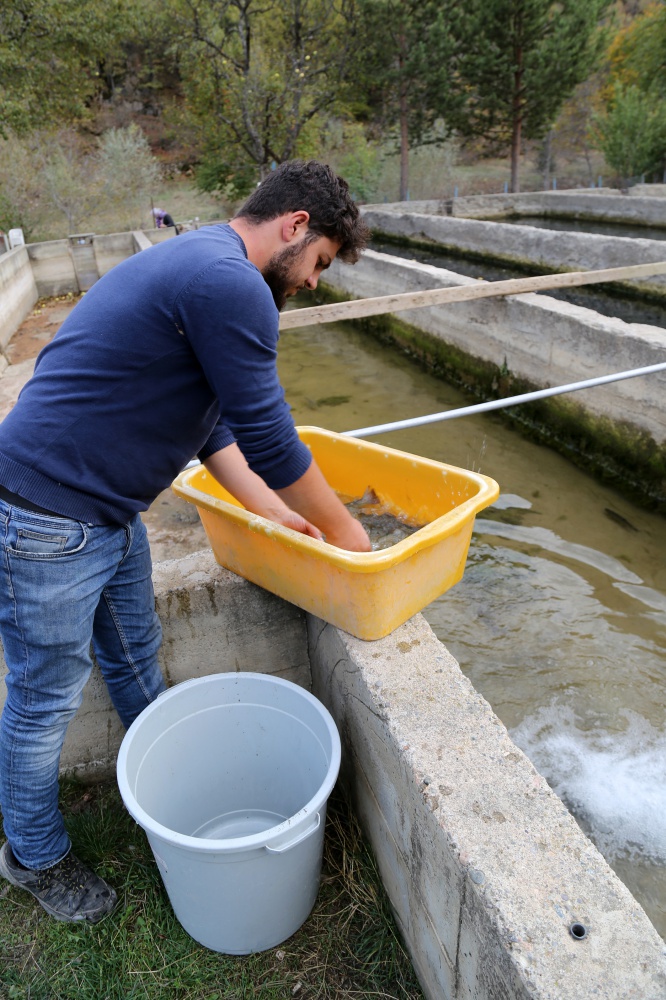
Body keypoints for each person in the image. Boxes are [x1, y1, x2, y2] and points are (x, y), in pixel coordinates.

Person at [0, 160, 371, 924]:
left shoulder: (202, 261)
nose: (312, 282)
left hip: (104, 513)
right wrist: (346, 533)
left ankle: (170, 784)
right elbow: (270, 436)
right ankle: (34, 856)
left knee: (134, 658)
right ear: (296, 224)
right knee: (43, 702)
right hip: (47, 517)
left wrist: (273, 514)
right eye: (321, 261)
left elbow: (217, 426)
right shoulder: (230, 282)